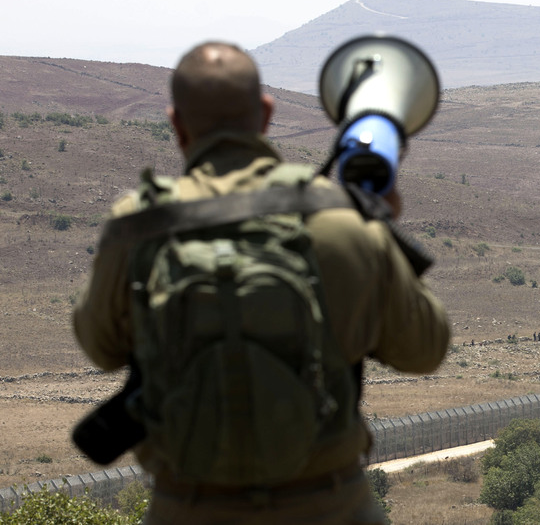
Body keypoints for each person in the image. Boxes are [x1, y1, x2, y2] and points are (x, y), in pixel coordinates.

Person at [73, 41, 450, 524]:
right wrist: (378, 229)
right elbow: (425, 350)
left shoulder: (138, 226)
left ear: (176, 122)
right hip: (330, 506)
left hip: (186, 509)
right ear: (267, 113)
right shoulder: (338, 219)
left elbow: (100, 347)